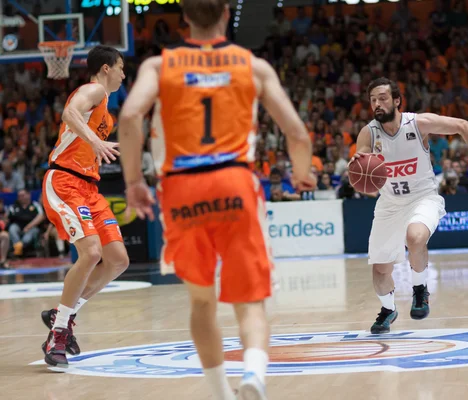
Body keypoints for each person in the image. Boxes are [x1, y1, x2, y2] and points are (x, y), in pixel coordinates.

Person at [117, 1, 315, 399]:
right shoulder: (253, 66)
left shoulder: (159, 66)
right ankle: (253, 377)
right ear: (226, 13)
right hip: (233, 181)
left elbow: (128, 117)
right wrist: (301, 172)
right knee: (251, 301)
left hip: (181, 187)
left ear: (184, 18)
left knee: (202, 302)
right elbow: (297, 134)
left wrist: (134, 179)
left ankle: (220, 392)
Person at [349, 77, 468, 334]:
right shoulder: (369, 132)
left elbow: (463, 125)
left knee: (415, 236)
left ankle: (420, 289)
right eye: (373, 100)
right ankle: (388, 310)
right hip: (389, 203)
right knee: (380, 272)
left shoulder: (418, 123)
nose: (377, 104)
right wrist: (358, 162)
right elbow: (363, 161)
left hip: (423, 197)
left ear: (397, 101)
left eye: (383, 98)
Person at [40, 45, 129, 367]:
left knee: (117, 260)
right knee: (91, 253)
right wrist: (95, 141)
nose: (123, 73)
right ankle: (59, 333)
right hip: (64, 180)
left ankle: (62, 313)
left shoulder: (107, 110)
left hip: (89, 187)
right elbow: (69, 113)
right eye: (120, 67)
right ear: (106, 68)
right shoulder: (93, 90)